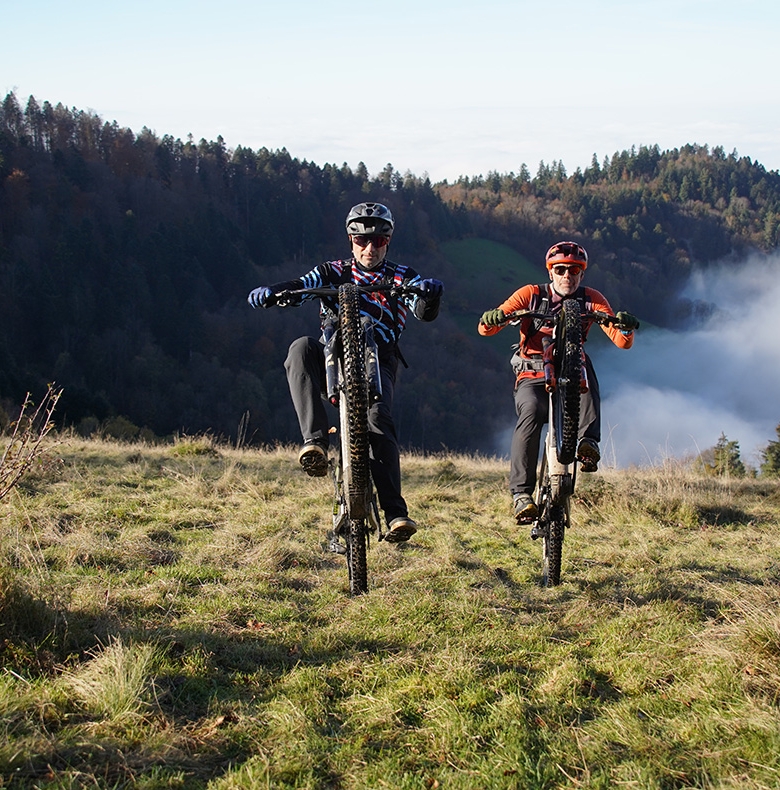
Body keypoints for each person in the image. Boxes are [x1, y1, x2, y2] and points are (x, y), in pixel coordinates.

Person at [247, 202, 444, 543]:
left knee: (378, 420)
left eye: (378, 241)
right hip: (331, 358)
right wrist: (272, 292)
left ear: (388, 241)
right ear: (350, 240)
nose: (370, 248)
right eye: (361, 240)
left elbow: (422, 310)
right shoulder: (333, 271)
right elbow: (300, 285)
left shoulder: (400, 276)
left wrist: (430, 295)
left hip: (379, 359)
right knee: (299, 349)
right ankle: (315, 444)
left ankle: (395, 513)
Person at [478, 241, 638, 523]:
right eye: (561, 269)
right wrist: (494, 319)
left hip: (570, 371)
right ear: (550, 271)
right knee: (531, 411)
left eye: (574, 270)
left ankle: (588, 443)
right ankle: (522, 495)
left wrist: (623, 327)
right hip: (533, 372)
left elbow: (621, 341)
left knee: (584, 365)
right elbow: (487, 328)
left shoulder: (591, 298)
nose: (567, 276)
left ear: (582, 274)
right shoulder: (531, 294)